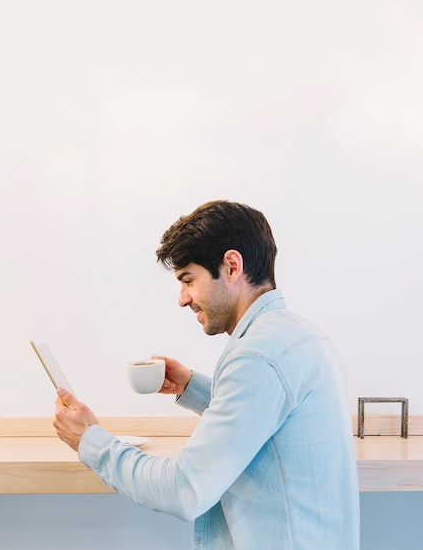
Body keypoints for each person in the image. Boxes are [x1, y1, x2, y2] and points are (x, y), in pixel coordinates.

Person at [53, 200, 360, 550]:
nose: (183, 299)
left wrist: (91, 441)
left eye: (188, 280)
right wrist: (192, 388)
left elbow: (185, 489)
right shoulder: (299, 336)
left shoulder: (257, 356)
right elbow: (267, 420)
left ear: (231, 266)